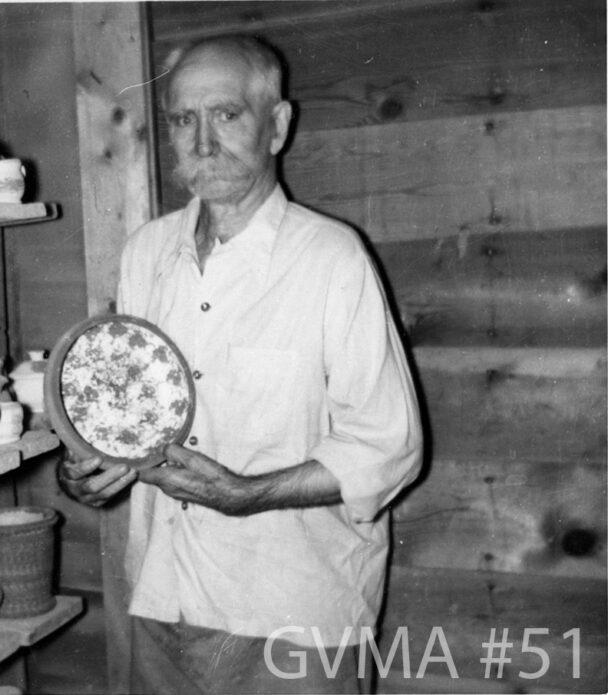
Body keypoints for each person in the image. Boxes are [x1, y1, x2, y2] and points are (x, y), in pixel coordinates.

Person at [58, 34, 424, 694]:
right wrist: (87, 464)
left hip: (290, 614)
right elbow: (127, 407)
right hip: (164, 596)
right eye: (181, 119)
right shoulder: (146, 254)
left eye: (225, 114)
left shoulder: (332, 260)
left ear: (277, 125)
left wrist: (247, 494)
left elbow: (390, 445)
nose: (201, 142)